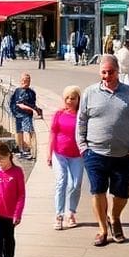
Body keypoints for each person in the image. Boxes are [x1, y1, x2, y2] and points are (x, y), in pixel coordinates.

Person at [76, 55, 129, 247]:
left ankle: (114, 217)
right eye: (103, 72)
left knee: (121, 193)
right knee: (98, 191)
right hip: (95, 152)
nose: (107, 76)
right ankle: (102, 229)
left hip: (123, 154)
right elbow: (81, 120)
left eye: (110, 72)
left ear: (118, 71)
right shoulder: (90, 93)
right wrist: (83, 147)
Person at [48, 85, 84, 230]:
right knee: (61, 181)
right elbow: (52, 133)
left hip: (77, 154)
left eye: (73, 98)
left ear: (78, 99)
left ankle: (71, 212)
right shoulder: (59, 114)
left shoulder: (82, 116)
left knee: (75, 184)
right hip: (60, 152)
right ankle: (59, 215)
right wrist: (49, 153)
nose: (70, 101)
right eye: (67, 98)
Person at [8, 72, 42, 159]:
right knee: (20, 131)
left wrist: (37, 110)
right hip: (19, 114)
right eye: (23, 80)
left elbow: (32, 104)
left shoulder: (32, 92)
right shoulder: (19, 91)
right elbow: (20, 104)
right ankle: (21, 149)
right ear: (20, 81)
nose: (25, 82)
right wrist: (33, 110)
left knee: (30, 130)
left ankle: (31, 150)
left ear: (30, 81)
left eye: (27, 80)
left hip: (27, 115)